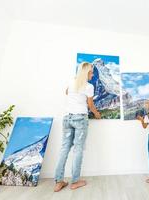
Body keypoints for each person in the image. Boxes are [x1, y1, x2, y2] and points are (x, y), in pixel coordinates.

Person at [54, 62, 101, 192]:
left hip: (67, 118)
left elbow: (67, 92)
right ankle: (75, 181)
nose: (93, 74)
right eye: (91, 72)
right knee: (78, 149)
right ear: (86, 73)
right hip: (80, 119)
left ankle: (59, 181)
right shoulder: (88, 86)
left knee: (64, 149)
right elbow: (90, 105)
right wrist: (97, 114)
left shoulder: (70, 81)